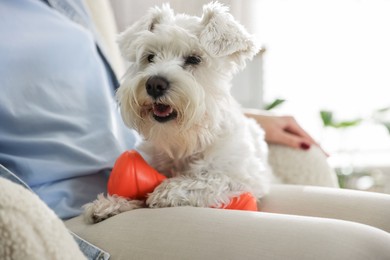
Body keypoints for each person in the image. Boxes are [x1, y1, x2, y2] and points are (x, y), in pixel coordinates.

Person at [1, 1, 390, 260]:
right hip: (62, 208)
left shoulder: (63, 4)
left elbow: (95, 95)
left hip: (157, 175)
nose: (158, 75)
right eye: (150, 57)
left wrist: (249, 116)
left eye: (190, 60)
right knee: (367, 249)